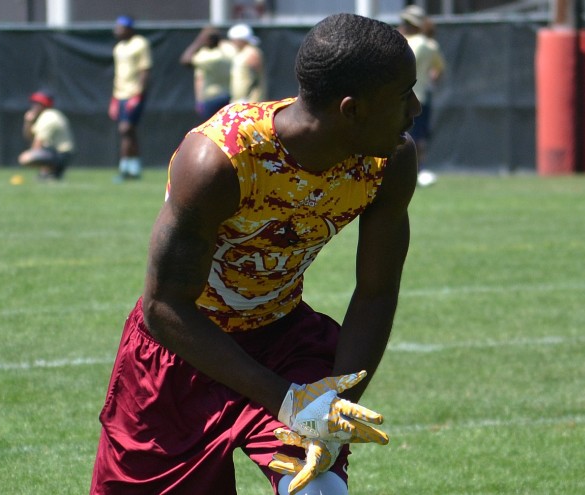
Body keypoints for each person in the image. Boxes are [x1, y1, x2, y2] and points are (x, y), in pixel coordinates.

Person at [91, 13, 420, 495]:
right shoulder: (218, 160)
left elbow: (376, 292)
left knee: (318, 488)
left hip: (283, 340)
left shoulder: (389, 160)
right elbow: (164, 307)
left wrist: (331, 407)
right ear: (353, 110)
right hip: (180, 351)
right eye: (402, 94)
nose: (415, 107)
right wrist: (288, 403)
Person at [398, 5, 445, 186]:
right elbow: (439, 70)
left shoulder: (405, 42)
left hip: (402, 98)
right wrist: (429, 81)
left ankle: (410, 172)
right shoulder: (430, 45)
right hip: (422, 97)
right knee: (418, 138)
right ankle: (419, 170)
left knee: (406, 137)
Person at [110, 15, 152, 182]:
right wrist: (114, 98)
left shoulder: (140, 43)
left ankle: (124, 168)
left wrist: (138, 94)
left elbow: (145, 70)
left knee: (125, 129)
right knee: (129, 132)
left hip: (134, 94)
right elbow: (118, 74)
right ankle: (134, 167)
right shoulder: (118, 47)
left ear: (129, 28)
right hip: (120, 94)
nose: (117, 30)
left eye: (120, 27)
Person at [18, 90, 74, 181]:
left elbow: (38, 142)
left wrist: (32, 156)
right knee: (32, 155)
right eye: (34, 103)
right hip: (59, 153)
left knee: (25, 158)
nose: (34, 106)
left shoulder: (48, 116)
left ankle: (48, 172)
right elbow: (29, 136)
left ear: (44, 104)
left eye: (37, 103)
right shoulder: (48, 115)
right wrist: (28, 122)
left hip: (61, 154)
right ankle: (51, 173)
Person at [180, 26, 233, 120]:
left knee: (210, 130)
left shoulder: (206, 57)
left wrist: (198, 41)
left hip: (212, 98)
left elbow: (185, 59)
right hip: (229, 95)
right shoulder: (228, 51)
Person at [227, 23, 267, 103]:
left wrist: (250, 97)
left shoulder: (251, 52)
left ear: (241, 40)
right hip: (239, 100)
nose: (232, 42)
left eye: (234, 40)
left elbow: (258, 79)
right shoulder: (241, 52)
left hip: (249, 101)